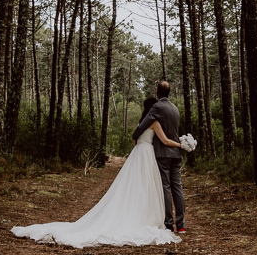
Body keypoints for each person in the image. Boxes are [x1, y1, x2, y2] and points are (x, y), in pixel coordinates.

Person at [11, 96, 182, 248]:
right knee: (147, 186)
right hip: (148, 154)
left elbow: (135, 140)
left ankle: (136, 214)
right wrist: (181, 144)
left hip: (138, 154)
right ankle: (145, 216)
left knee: (133, 185)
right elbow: (165, 140)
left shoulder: (142, 122)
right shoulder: (154, 122)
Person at [132, 80, 186, 234]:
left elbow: (143, 125)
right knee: (177, 187)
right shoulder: (175, 108)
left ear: (157, 92)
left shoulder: (157, 107)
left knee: (165, 188)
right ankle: (181, 225)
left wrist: (135, 136)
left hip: (163, 153)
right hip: (176, 153)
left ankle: (168, 223)